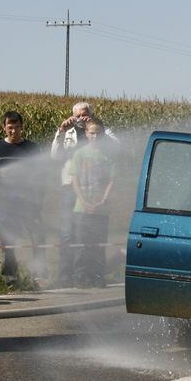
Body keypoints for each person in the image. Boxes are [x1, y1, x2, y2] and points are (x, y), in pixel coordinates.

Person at [51, 102, 118, 286]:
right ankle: (66, 276)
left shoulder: (98, 131)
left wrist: (97, 125)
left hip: (94, 188)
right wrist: (61, 131)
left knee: (93, 234)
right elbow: (55, 156)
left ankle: (92, 273)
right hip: (70, 187)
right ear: (73, 116)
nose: (82, 119)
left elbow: (117, 146)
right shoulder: (68, 133)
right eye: (79, 116)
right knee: (68, 233)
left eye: (86, 115)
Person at [0, 110, 45, 283]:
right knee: (8, 241)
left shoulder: (31, 148)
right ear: (3, 127)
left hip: (29, 202)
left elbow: (40, 174)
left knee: (37, 238)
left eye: (17, 127)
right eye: (10, 127)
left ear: (22, 127)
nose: (14, 131)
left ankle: (38, 274)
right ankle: (10, 276)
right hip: (5, 203)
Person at [69, 121, 116, 288]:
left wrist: (103, 200)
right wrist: (83, 201)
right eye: (92, 133)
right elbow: (74, 179)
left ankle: (97, 276)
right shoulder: (79, 154)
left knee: (99, 245)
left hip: (101, 210)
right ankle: (81, 276)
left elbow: (112, 179)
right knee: (82, 245)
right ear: (86, 134)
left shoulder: (107, 156)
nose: (95, 137)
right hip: (82, 209)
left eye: (98, 133)